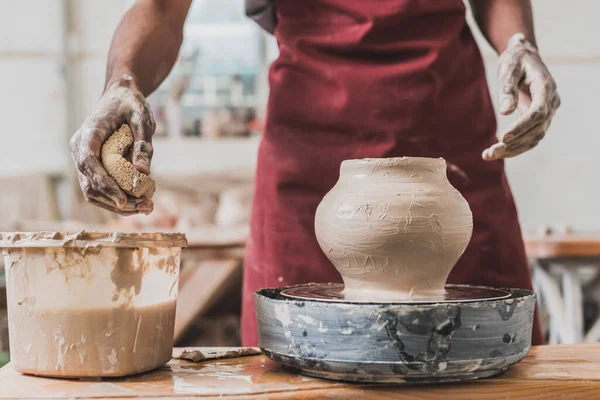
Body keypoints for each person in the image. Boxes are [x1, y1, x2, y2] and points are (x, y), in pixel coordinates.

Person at [70, 0, 560, 346]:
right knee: (290, 364)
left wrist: (520, 45)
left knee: (491, 357)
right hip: (310, 164)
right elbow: (160, 8)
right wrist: (122, 82)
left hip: (444, 150)